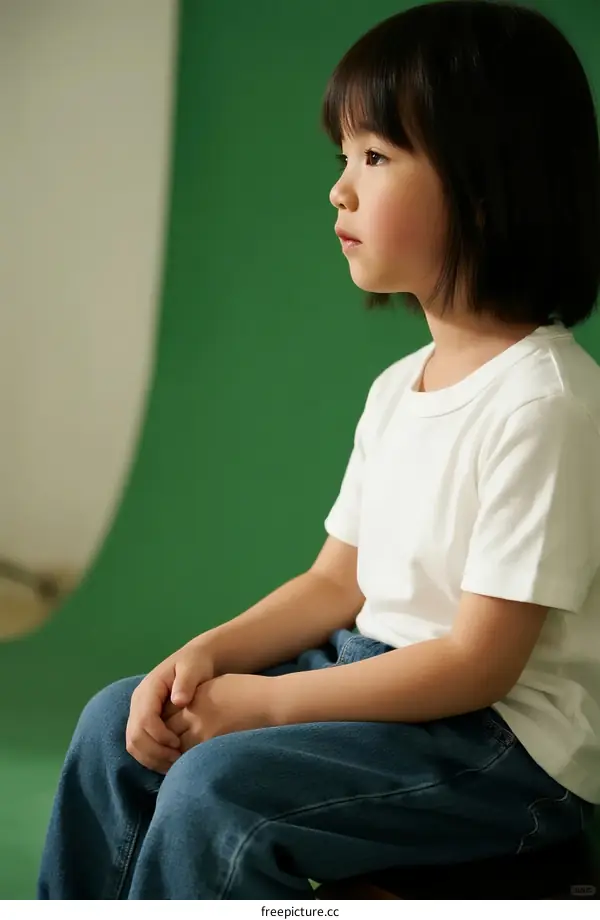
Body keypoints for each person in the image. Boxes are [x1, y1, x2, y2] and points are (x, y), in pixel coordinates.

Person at [38, 1, 600, 899]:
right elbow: (336, 584)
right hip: (367, 669)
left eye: (375, 158)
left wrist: (263, 705)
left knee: (219, 790)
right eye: (344, 158)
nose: (340, 189)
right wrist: (208, 657)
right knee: (118, 721)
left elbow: (477, 662)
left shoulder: (547, 403)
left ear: (490, 189)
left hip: (502, 749)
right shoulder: (399, 388)